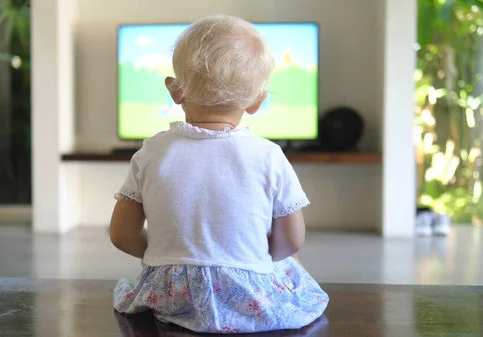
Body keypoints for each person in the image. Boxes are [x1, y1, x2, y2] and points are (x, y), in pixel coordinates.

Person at [109, 15, 328, 333]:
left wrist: (165, 255)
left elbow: (121, 234)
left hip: (170, 292)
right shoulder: (268, 155)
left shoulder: (151, 153)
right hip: (246, 293)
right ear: (258, 101)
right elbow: (292, 240)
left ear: (174, 90)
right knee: (292, 269)